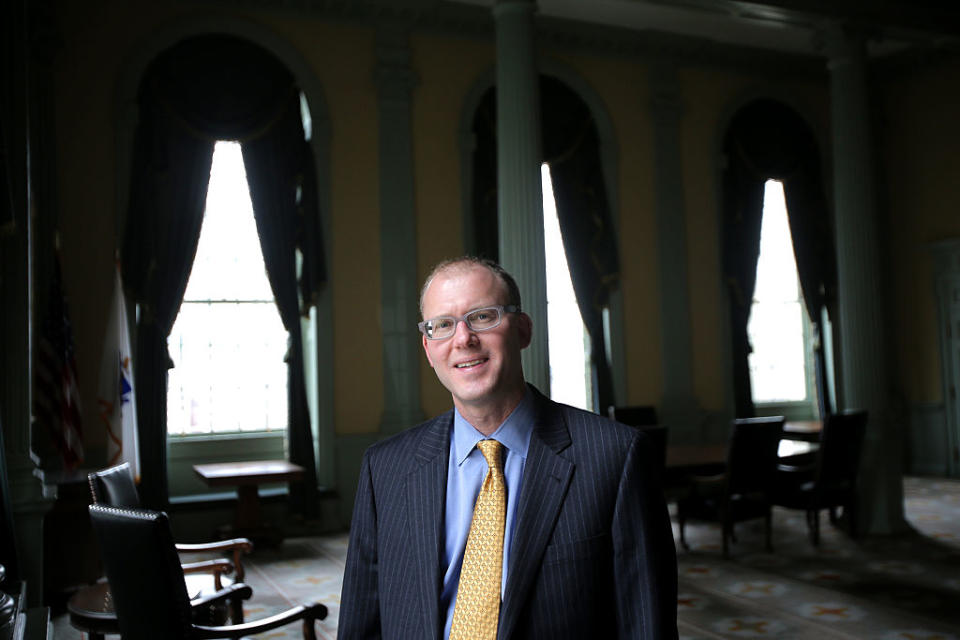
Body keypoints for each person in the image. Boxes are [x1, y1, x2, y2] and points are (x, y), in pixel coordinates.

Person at [338, 257, 678, 640]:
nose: (463, 338)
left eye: (483, 317)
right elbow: (360, 624)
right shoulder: (384, 468)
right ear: (428, 348)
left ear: (522, 330)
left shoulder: (615, 457)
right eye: (443, 325)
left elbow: (646, 623)